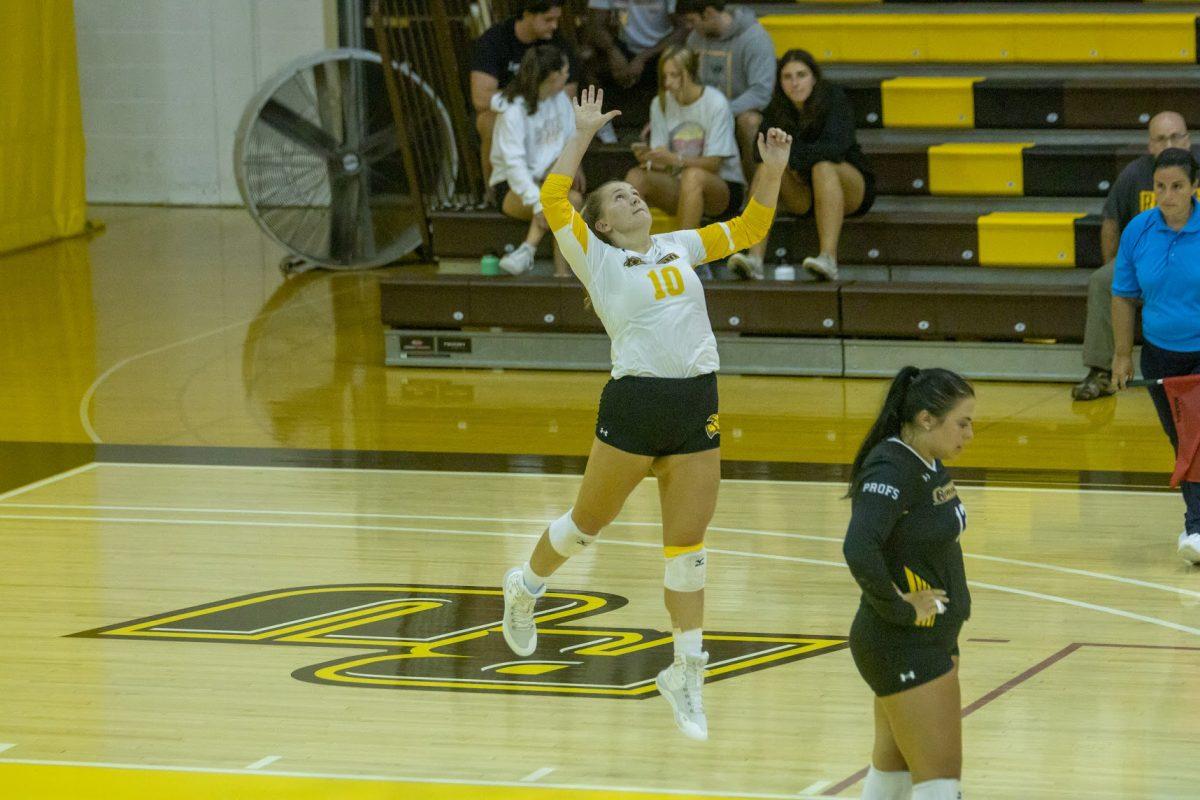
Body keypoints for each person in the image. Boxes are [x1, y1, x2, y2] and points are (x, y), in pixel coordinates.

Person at [499, 85, 793, 741]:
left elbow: (749, 229)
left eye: (635, 195)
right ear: (603, 223)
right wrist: (579, 135)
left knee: (687, 553)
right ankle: (524, 584)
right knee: (584, 527)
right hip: (636, 403)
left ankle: (685, 672)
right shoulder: (596, 259)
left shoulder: (680, 247)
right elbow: (552, 201)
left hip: (696, 404)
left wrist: (770, 174)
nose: (635, 199)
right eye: (623, 199)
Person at [843, 366, 975, 800]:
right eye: (962, 422)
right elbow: (859, 547)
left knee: (893, 774)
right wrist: (902, 607)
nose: (969, 434)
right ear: (925, 419)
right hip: (902, 642)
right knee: (939, 787)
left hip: (929, 640)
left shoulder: (928, 463)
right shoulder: (891, 468)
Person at [1111, 147, 1200, 565]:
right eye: (1161, 187)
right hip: (1161, 356)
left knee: (1197, 440)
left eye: (1177, 187)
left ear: (1194, 187)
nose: (1168, 196)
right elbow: (1124, 296)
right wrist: (1121, 356)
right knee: (1182, 443)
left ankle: (1196, 526)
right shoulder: (1138, 231)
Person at [1073, 111, 1197, 401]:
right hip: (1142, 258)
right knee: (1106, 281)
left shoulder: (1195, 168)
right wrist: (1116, 265)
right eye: (1161, 138)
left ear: (1188, 139)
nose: (1169, 144)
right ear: (1149, 145)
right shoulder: (1134, 174)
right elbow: (1111, 221)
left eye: (1176, 136)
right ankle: (1102, 370)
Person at [727, 50, 875, 281]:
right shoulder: (778, 106)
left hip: (849, 187)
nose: (795, 83)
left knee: (822, 166)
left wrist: (791, 157)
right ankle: (754, 258)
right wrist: (783, 158)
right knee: (768, 167)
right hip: (804, 193)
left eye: (801, 75)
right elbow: (759, 150)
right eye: (787, 77)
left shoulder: (834, 97)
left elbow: (836, 147)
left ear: (814, 77)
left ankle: (828, 258)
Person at [623, 46, 745, 257]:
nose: (668, 82)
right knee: (635, 177)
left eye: (674, 75)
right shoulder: (660, 103)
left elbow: (715, 163)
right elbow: (665, 160)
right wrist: (652, 158)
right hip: (680, 182)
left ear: (689, 73)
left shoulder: (715, 102)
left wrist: (675, 159)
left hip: (722, 187)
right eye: (665, 76)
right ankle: (631, 255)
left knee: (693, 176)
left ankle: (683, 260)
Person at [489, 45, 581, 277]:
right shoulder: (513, 110)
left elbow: (570, 140)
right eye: (565, 72)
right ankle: (561, 273)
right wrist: (537, 202)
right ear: (552, 77)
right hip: (513, 187)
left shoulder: (560, 99)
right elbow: (514, 167)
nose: (568, 77)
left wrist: (574, 165)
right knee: (570, 202)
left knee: (569, 197)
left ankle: (529, 250)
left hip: (549, 181)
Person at [470, 0, 580, 186]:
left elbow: (567, 98)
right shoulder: (494, 40)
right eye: (548, 19)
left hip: (548, 112)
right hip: (508, 111)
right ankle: (493, 191)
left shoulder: (559, 43)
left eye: (556, 19)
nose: (554, 25)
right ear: (528, 14)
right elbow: (481, 99)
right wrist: (532, 95)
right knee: (488, 121)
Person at [676, 1, 775, 189]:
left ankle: (758, 196)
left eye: (692, 20)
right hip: (707, 114)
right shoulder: (694, 39)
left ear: (709, 13)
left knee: (750, 122)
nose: (689, 27)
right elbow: (688, 83)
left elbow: (761, 93)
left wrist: (720, 111)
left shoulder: (754, 38)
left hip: (739, 115)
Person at [579, 0, 687, 134]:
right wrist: (613, 51)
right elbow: (595, 25)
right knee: (586, 58)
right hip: (625, 47)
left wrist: (642, 58)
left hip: (661, 48)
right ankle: (602, 125)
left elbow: (683, 29)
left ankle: (671, 124)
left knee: (680, 60)